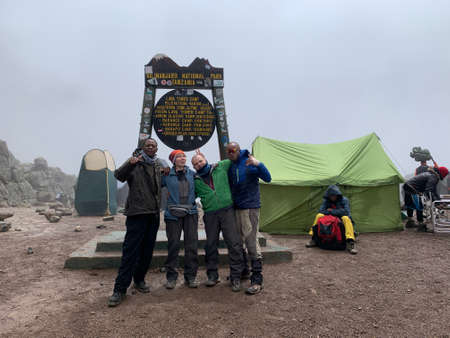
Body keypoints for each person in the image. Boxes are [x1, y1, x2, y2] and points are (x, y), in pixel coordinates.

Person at [108, 138, 162, 307]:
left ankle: (139, 280)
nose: (151, 147)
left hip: (153, 214)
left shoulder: (157, 166)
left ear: (156, 148)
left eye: (153, 145)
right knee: (130, 252)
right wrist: (129, 164)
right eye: (148, 145)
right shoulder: (134, 164)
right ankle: (119, 289)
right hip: (137, 214)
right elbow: (118, 175)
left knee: (147, 251)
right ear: (142, 148)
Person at [191, 151, 244, 292]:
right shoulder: (194, 180)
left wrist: (237, 150)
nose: (198, 164)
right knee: (211, 245)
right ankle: (212, 276)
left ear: (205, 158)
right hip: (210, 214)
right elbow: (190, 195)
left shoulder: (221, 166)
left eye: (200, 161)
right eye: (195, 164)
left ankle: (236, 277)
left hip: (227, 210)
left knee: (234, 243)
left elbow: (237, 155)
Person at [226, 142, 271, 295]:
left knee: (251, 242)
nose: (230, 153)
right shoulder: (231, 166)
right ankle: (244, 270)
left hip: (250, 208)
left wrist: (259, 164)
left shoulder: (249, 163)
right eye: (228, 152)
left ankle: (257, 280)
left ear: (238, 150)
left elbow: (268, 178)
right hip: (237, 208)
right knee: (239, 241)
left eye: (232, 150)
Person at [162, 150, 199, 289]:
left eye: (184, 156)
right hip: (172, 215)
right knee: (173, 245)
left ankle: (191, 277)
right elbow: (153, 184)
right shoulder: (166, 175)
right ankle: (171, 277)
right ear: (173, 160)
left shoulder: (193, 174)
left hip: (191, 212)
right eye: (179, 157)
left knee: (191, 245)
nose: (183, 158)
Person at [305, 185, 358, 254]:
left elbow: (346, 212)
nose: (332, 197)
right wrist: (337, 211)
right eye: (331, 195)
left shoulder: (344, 200)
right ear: (328, 195)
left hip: (340, 217)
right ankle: (314, 239)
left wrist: (331, 210)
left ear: (337, 194)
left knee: (346, 218)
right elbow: (321, 211)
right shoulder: (326, 201)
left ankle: (350, 242)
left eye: (334, 195)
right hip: (330, 217)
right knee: (319, 216)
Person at [403, 166, 448, 232]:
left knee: (411, 205)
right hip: (412, 188)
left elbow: (433, 191)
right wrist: (437, 203)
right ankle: (421, 226)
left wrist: (438, 201)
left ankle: (410, 222)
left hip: (407, 186)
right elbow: (429, 191)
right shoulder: (433, 177)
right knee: (419, 206)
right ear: (443, 174)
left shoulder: (431, 174)